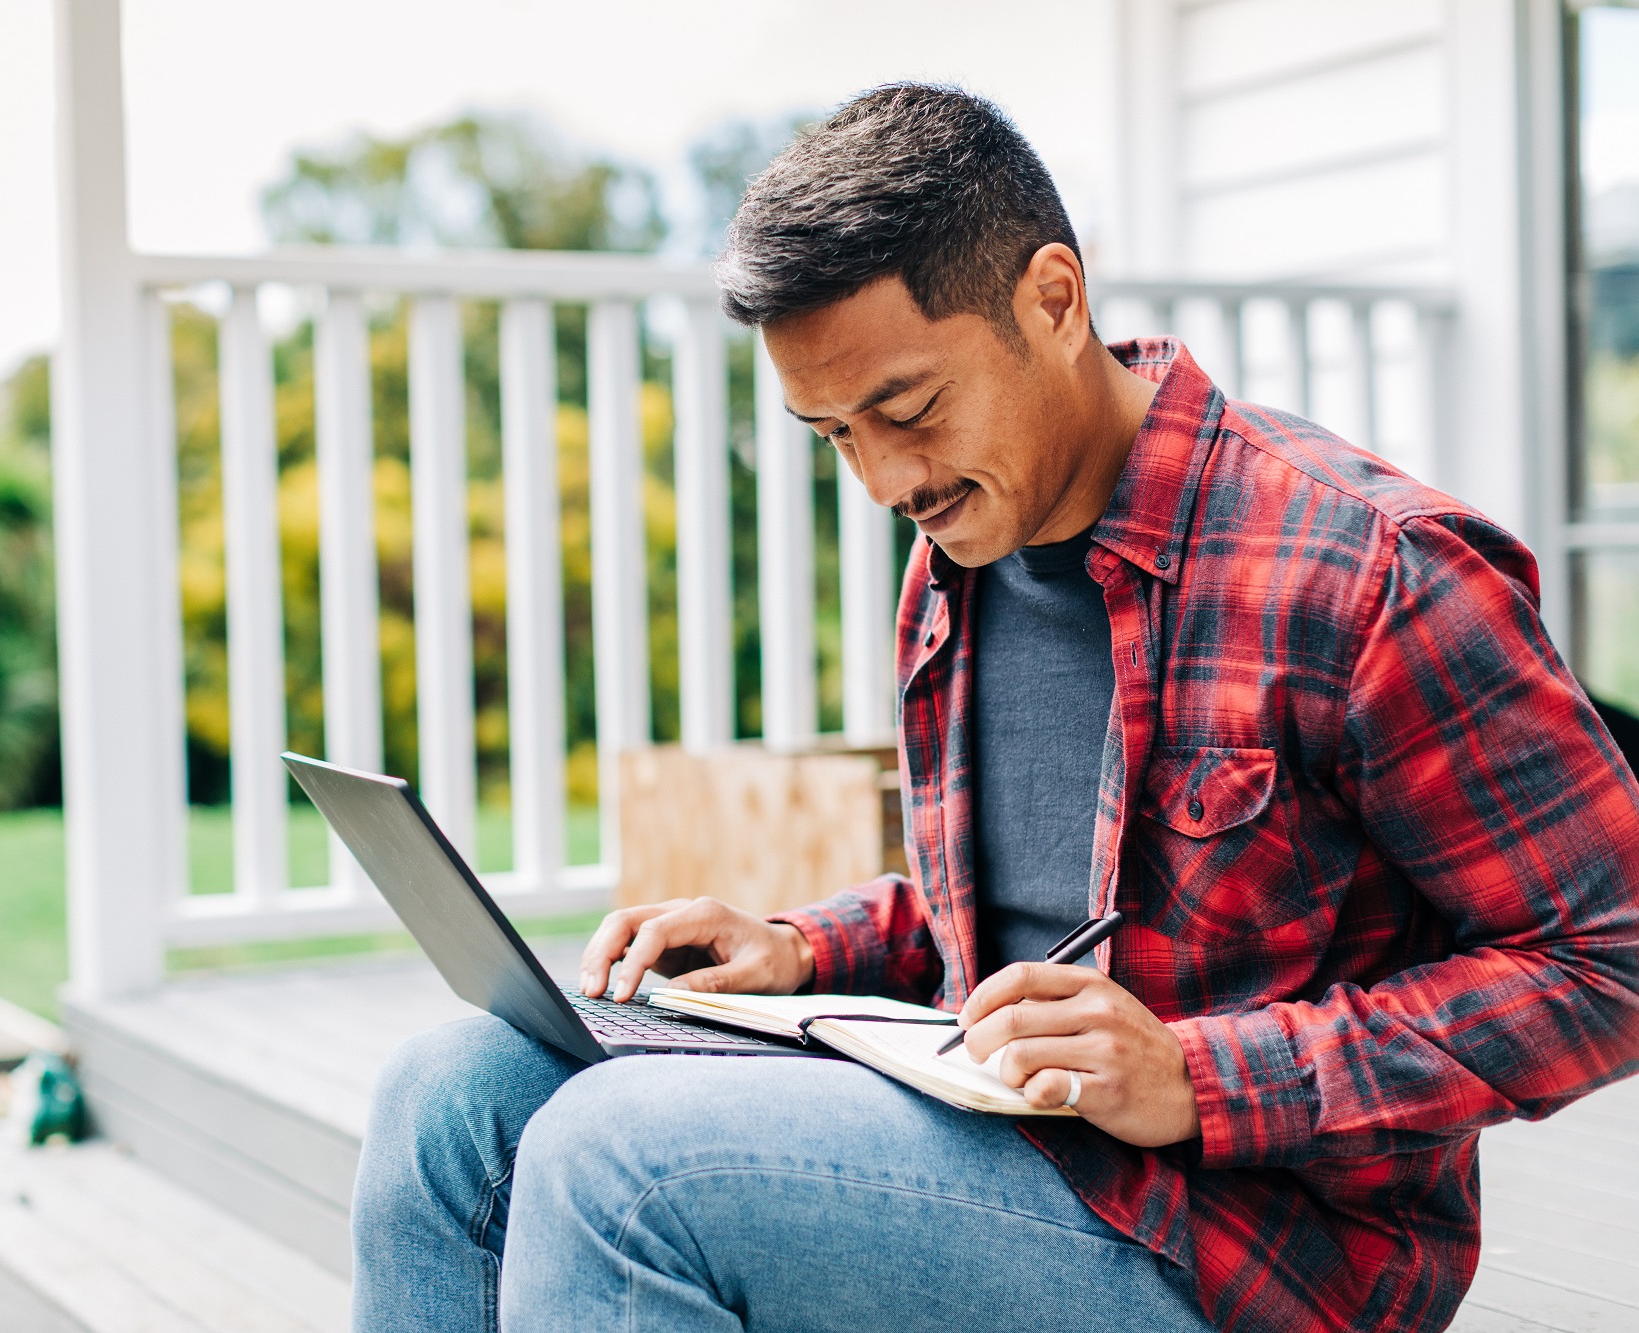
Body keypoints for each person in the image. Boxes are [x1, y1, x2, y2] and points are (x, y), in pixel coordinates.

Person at [350, 84, 1639, 1333]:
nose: (885, 479)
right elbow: (1032, 918)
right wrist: (802, 950)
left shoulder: (1368, 572)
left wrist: (1195, 1077)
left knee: (619, 1163)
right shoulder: (959, 551)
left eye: (906, 410)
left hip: (1251, 1245)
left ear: (1054, 299)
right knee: (453, 1090)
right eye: (833, 434)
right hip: (1002, 1125)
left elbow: (1612, 959)